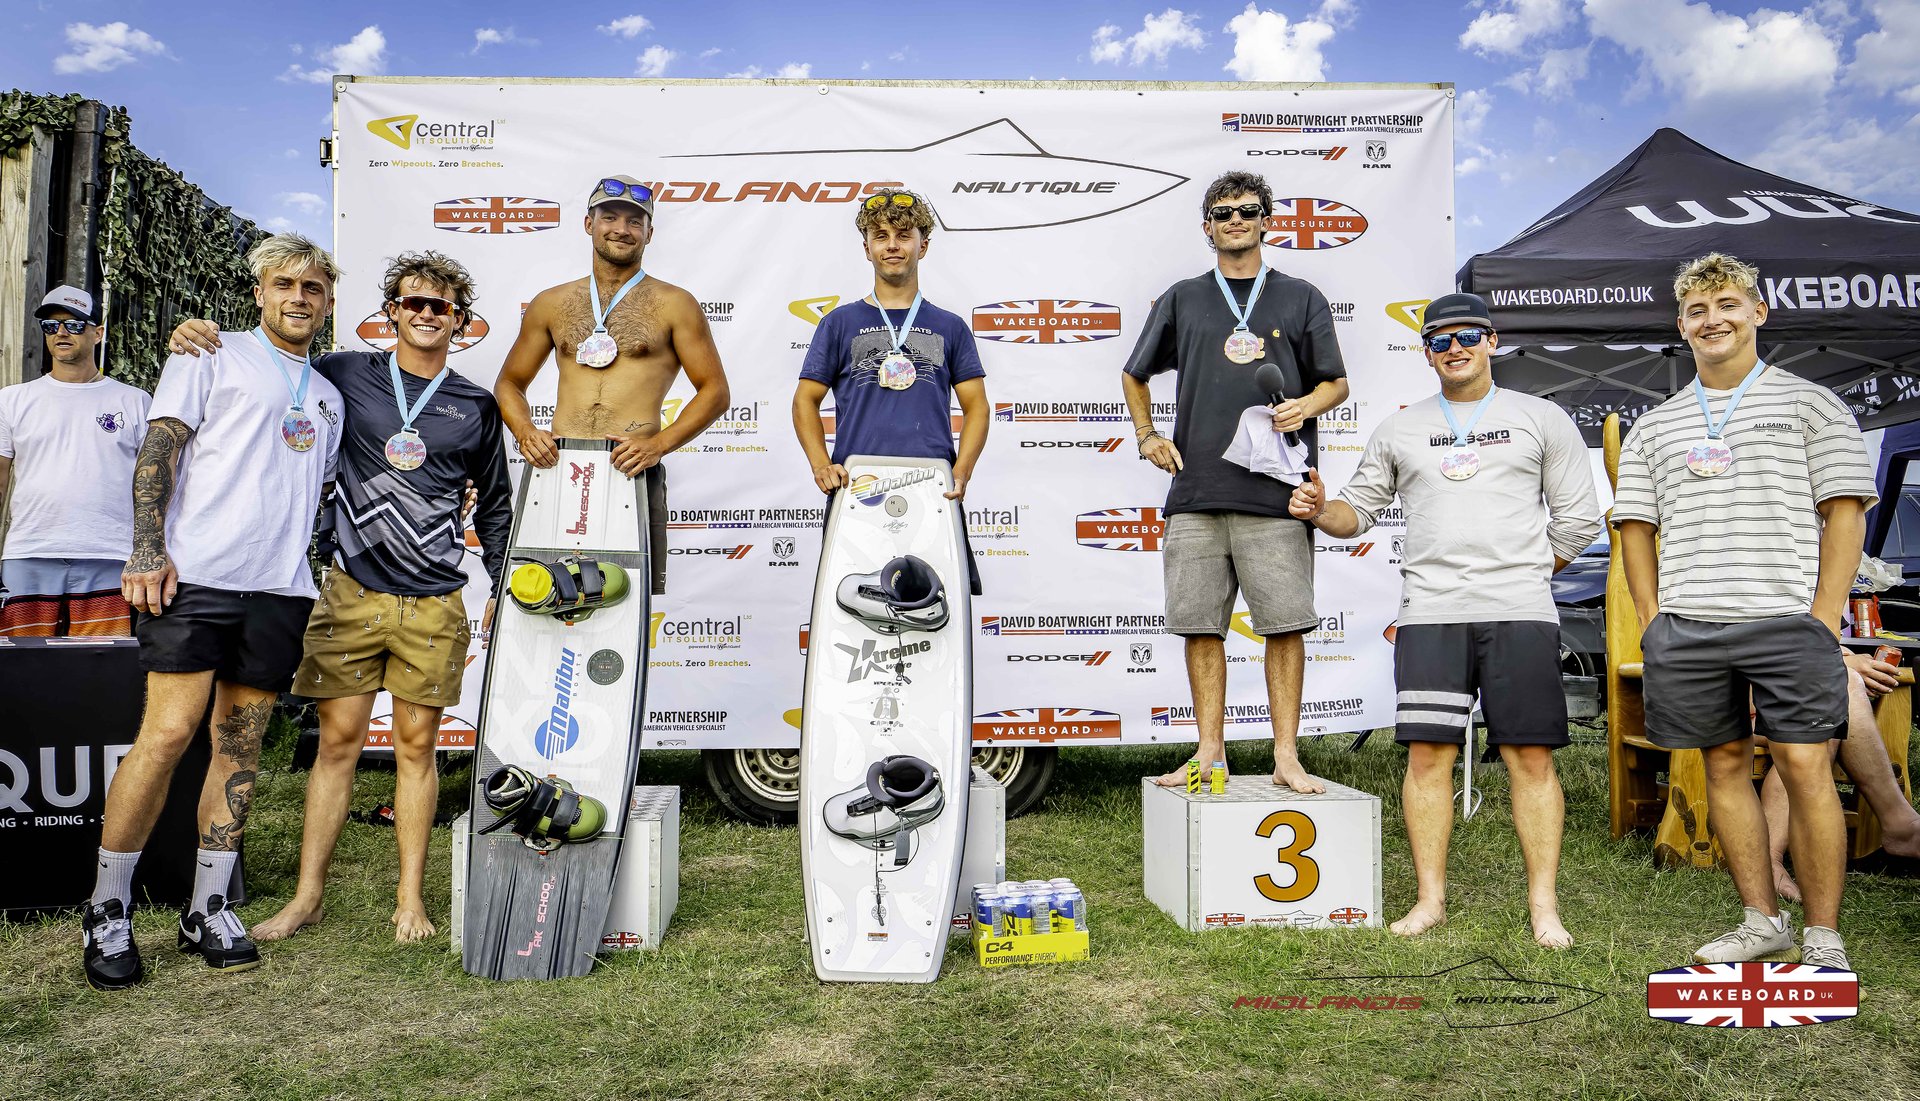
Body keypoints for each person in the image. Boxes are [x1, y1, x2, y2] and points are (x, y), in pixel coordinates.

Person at [166, 252, 512, 943]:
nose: (423, 314)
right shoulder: (344, 373)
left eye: (439, 306)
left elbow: (495, 506)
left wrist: (500, 585)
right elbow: (273, 362)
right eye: (411, 302)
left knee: (418, 749)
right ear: (390, 312)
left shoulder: (475, 405)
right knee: (337, 747)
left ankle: (409, 899)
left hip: (434, 599)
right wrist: (193, 334)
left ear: (461, 322)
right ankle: (306, 898)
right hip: (349, 591)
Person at [1287, 292, 1602, 946]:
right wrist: (1320, 508)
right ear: (1426, 350)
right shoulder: (1401, 428)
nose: (1453, 348)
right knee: (1428, 756)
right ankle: (1430, 899)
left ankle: (1545, 907)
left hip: (1519, 614)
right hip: (1431, 614)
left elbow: (1578, 516)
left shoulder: (1540, 417)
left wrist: (1523, 571)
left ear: (1493, 340)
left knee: (1531, 758)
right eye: (1440, 340)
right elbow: (1356, 515)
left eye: (1467, 336)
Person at [82, 234, 345, 989]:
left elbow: (314, 490)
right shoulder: (208, 351)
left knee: (239, 748)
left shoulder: (324, 395)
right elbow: (159, 448)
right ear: (259, 292)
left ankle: (206, 909)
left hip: (280, 589)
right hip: (194, 578)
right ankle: (107, 910)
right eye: (285, 283)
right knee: (165, 735)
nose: (299, 296)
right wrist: (144, 548)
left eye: (314, 286)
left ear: (327, 302)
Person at [1615, 252, 1875, 970]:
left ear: (1758, 313)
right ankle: (1763, 919)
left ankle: (1823, 934)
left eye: (1728, 304)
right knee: (1723, 765)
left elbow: (1846, 513)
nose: (1713, 319)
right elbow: (1635, 527)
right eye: (1697, 310)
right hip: (1690, 626)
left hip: (1788, 618)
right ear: (1681, 325)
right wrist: (1651, 617)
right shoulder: (1657, 425)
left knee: (1803, 763)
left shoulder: (1810, 403)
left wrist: (1825, 615)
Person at [1120, 170, 1349, 792]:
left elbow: (1337, 382)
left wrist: (1305, 405)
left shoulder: (1300, 295)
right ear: (1207, 228)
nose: (1235, 221)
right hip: (1196, 493)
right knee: (1200, 627)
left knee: (1284, 626)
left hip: (1277, 494)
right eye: (1222, 214)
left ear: (1267, 220)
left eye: (1247, 211)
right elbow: (1134, 374)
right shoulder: (1183, 297)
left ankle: (1285, 757)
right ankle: (1211, 753)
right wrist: (1147, 436)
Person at [495, 174, 731, 596]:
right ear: (589, 224)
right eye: (609, 217)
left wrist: (659, 444)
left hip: (631, 470)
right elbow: (510, 382)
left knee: (626, 605)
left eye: (634, 221)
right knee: (540, 596)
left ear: (649, 233)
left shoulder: (676, 304)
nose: (621, 229)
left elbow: (715, 391)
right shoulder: (551, 302)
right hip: (558, 468)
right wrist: (526, 431)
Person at [792, 188, 989, 591]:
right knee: (854, 599)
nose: (893, 246)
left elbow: (978, 408)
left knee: (938, 608)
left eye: (903, 235)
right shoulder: (839, 323)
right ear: (867, 249)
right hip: (858, 484)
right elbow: (804, 401)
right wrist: (820, 464)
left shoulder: (949, 326)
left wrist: (962, 471)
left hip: (932, 484)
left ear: (924, 245)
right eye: (880, 236)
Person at [0, 286, 151, 637]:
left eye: (74, 324)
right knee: (20, 671)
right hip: (30, 552)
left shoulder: (136, 402)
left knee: (99, 671)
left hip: (111, 555)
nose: (62, 332)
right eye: (51, 326)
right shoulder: (12, 400)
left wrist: (149, 553)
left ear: (98, 332)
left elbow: (155, 487)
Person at [1766, 654, 1920, 900]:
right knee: (1838, 690)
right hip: (1734, 701)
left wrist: (1837, 656)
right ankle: (1901, 824)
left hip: (1784, 694)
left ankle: (1902, 825)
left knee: (1837, 697)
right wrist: (1834, 663)